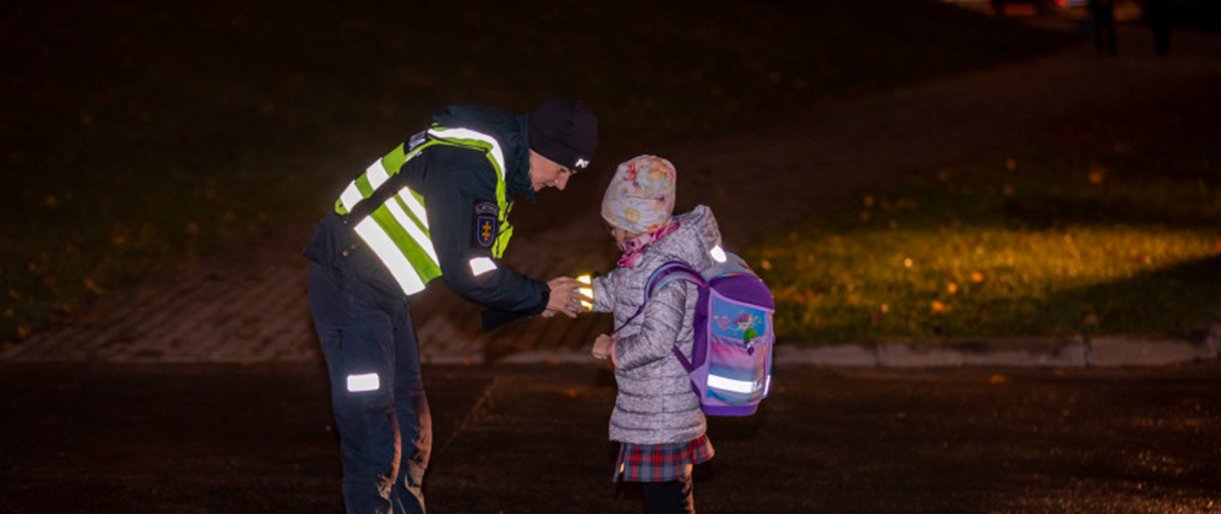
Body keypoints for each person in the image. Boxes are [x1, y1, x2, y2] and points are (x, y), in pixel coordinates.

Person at [304, 96, 597, 513]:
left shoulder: (491, 164)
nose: (562, 183)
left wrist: (533, 303)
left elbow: (473, 264)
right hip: (349, 288)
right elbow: (469, 273)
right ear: (540, 146)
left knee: (411, 423)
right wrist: (540, 296)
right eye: (562, 169)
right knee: (373, 434)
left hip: (383, 293)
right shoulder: (468, 165)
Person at [588, 155, 719, 514]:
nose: (611, 234)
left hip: (664, 411)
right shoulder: (644, 258)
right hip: (654, 407)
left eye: (613, 226)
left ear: (633, 224)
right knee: (667, 497)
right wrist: (572, 296)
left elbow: (657, 341)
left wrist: (612, 350)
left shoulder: (666, 271)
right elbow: (616, 290)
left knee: (668, 501)